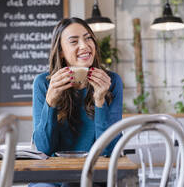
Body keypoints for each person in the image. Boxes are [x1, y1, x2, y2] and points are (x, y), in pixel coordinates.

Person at [32, 17, 123, 159]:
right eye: (74, 41)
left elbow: (109, 150)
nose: (85, 46)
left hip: (94, 174)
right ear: (61, 51)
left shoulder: (112, 81)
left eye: (88, 38)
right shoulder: (43, 83)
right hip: (52, 175)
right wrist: (50, 102)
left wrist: (100, 100)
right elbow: (43, 149)